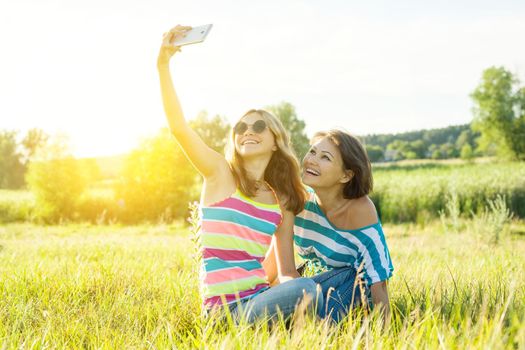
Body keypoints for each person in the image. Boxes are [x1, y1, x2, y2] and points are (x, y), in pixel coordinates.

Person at [157, 25, 322, 323]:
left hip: (260, 298)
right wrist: (163, 64)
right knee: (308, 289)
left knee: (310, 286)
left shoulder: (281, 199)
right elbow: (179, 128)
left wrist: (297, 291)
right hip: (221, 312)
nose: (248, 132)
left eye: (258, 127)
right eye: (241, 128)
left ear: (275, 141)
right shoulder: (219, 173)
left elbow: (285, 271)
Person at [264, 130, 394, 324]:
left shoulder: (361, 210)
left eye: (325, 157)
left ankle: (315, 327)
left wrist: (385, 334)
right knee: (280, 297)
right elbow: (275, 262)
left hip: (353, 290)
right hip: (314, 285)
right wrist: (249, 294)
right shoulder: (298, 200)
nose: (312, 160)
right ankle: (295, 323)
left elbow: (379, 281)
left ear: (345, 175)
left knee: (351, 274)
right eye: (312, 152)